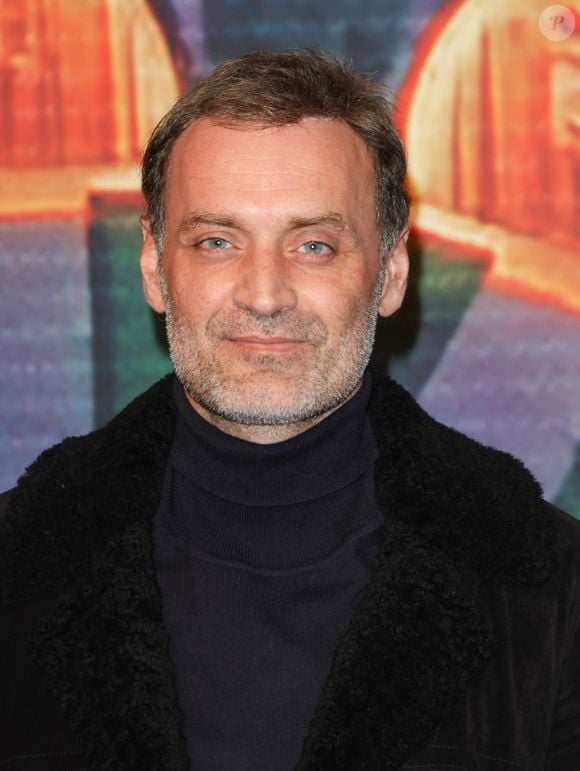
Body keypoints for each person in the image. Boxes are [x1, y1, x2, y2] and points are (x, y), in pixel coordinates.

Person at [0, 49, 578, 771]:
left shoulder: (551, 591)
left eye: (313, 245)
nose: (265, 294)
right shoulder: (18, 570)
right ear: (154, 268)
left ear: (391, 272)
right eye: (217, 242)